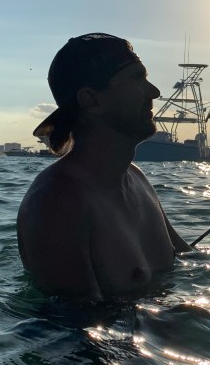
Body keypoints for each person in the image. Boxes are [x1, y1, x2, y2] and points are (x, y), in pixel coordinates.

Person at [17, 33, 191, 302]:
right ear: (91, 100)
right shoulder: (56, 201)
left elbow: (193, 262)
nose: (154, 92)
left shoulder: (137, 178)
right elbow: (79, 327)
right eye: (137, 79)